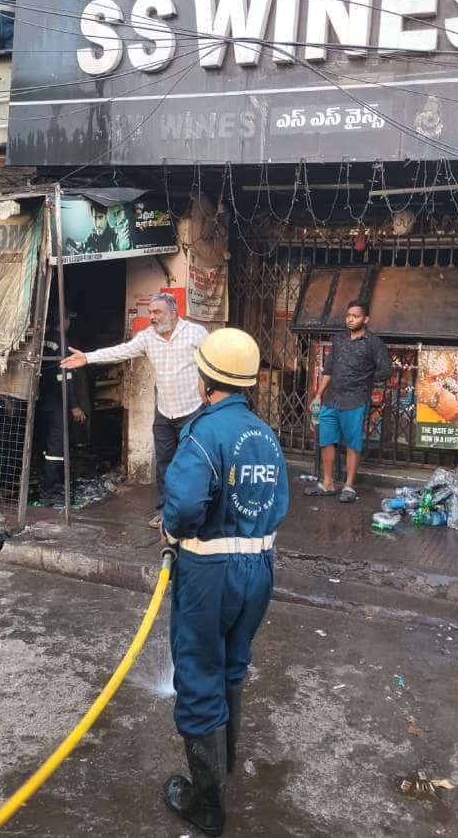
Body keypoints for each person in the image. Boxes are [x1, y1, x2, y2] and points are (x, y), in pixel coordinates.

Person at [157, 327, 288, 837]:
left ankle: (207, 804)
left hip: (209, 573)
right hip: (259, 570)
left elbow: (186, 508)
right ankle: (224, 766)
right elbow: (279, 507)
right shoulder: (265, 435)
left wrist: (172, 529)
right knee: (232, 664)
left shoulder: (203, 433)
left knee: (198, 675)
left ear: (207, 376)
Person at [61, 293, 207, 528]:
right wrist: (87, 358)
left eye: (157, 312)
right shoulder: (149, 337)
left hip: (193, 411)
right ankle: (165, 512)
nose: (152, 317)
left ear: (173, 312)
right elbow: (121, 351)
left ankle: (197, 512)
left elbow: (211, 364)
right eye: (150, 312)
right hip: (165, 412)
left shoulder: (196, 333)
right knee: (164, 465)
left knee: (194, 464)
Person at [307, 299, 393, 503]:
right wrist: (318, 394)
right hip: (331, 400)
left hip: (355, 400)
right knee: (326, 441)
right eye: (348, 315)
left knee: (353, 444)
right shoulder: (339, 340)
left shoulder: (373, 343)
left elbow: (386, 370)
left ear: (366, 319)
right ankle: (327, 483)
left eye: (355, 316)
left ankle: (348, 486)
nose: (350, 319)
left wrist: (365, 378)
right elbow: (328, 370)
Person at [37, 308, 89, 507]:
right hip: (57, 401)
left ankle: (47, 483)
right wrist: (74, 406)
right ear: (64, 320)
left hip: (43, 400)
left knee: (46, 444)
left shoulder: (44, 338)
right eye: (69, 320)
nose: (70, 324)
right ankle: (50, 490)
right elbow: (64, 377)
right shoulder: (61, 341)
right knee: (56, 447)